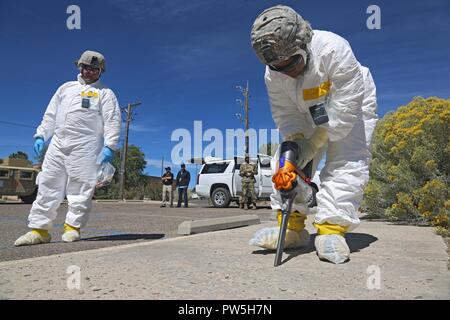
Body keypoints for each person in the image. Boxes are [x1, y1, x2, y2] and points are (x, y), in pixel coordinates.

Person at [250, 5, 378, 263]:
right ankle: (292, 228)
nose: (288, 72)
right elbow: (286, 114)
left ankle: (331, 229)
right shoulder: (273, 73)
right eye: (279, 68)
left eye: (293, 62)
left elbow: (342, 113)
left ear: (304, 41)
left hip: (351, 103)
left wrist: (316, 142)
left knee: (346, 158)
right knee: (285, 162)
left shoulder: (334, 50)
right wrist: (297, 145)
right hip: (307, 110)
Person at [15, 50, 121, 246]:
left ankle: (72, 227)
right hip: (58, 144)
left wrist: (110, 146)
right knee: (48, 183)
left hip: (86, 147)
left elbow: (112, 120)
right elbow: (51, 115)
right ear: (79, 67)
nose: (89, 71)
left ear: (101, 71)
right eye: (86, 67)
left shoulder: (105, 94)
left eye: (94, 69)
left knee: (80, 187)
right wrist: (41, 135)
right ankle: (39, 230)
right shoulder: (65, 88)